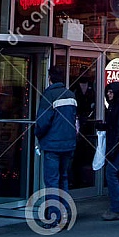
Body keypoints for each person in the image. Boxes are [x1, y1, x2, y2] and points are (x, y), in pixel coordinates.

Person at [35, 67, 77, 228]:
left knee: (52, 181)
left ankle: (54, 218)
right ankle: (64, 216)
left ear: (50, 79)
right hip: (68, 144)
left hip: (52, 144)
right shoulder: (71, 95)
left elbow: (43, 121)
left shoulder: (49, 95)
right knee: (63, 178)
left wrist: (38, 135)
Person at [100, 81, 119, 220]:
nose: (108, 94)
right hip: (116, 145)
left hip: (118, 146)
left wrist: (113, 149)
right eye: (108, 92)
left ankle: (117, 208)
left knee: (111, 173)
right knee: (115, 174)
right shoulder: (114, 106)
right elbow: (115, 126)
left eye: (111, 92)